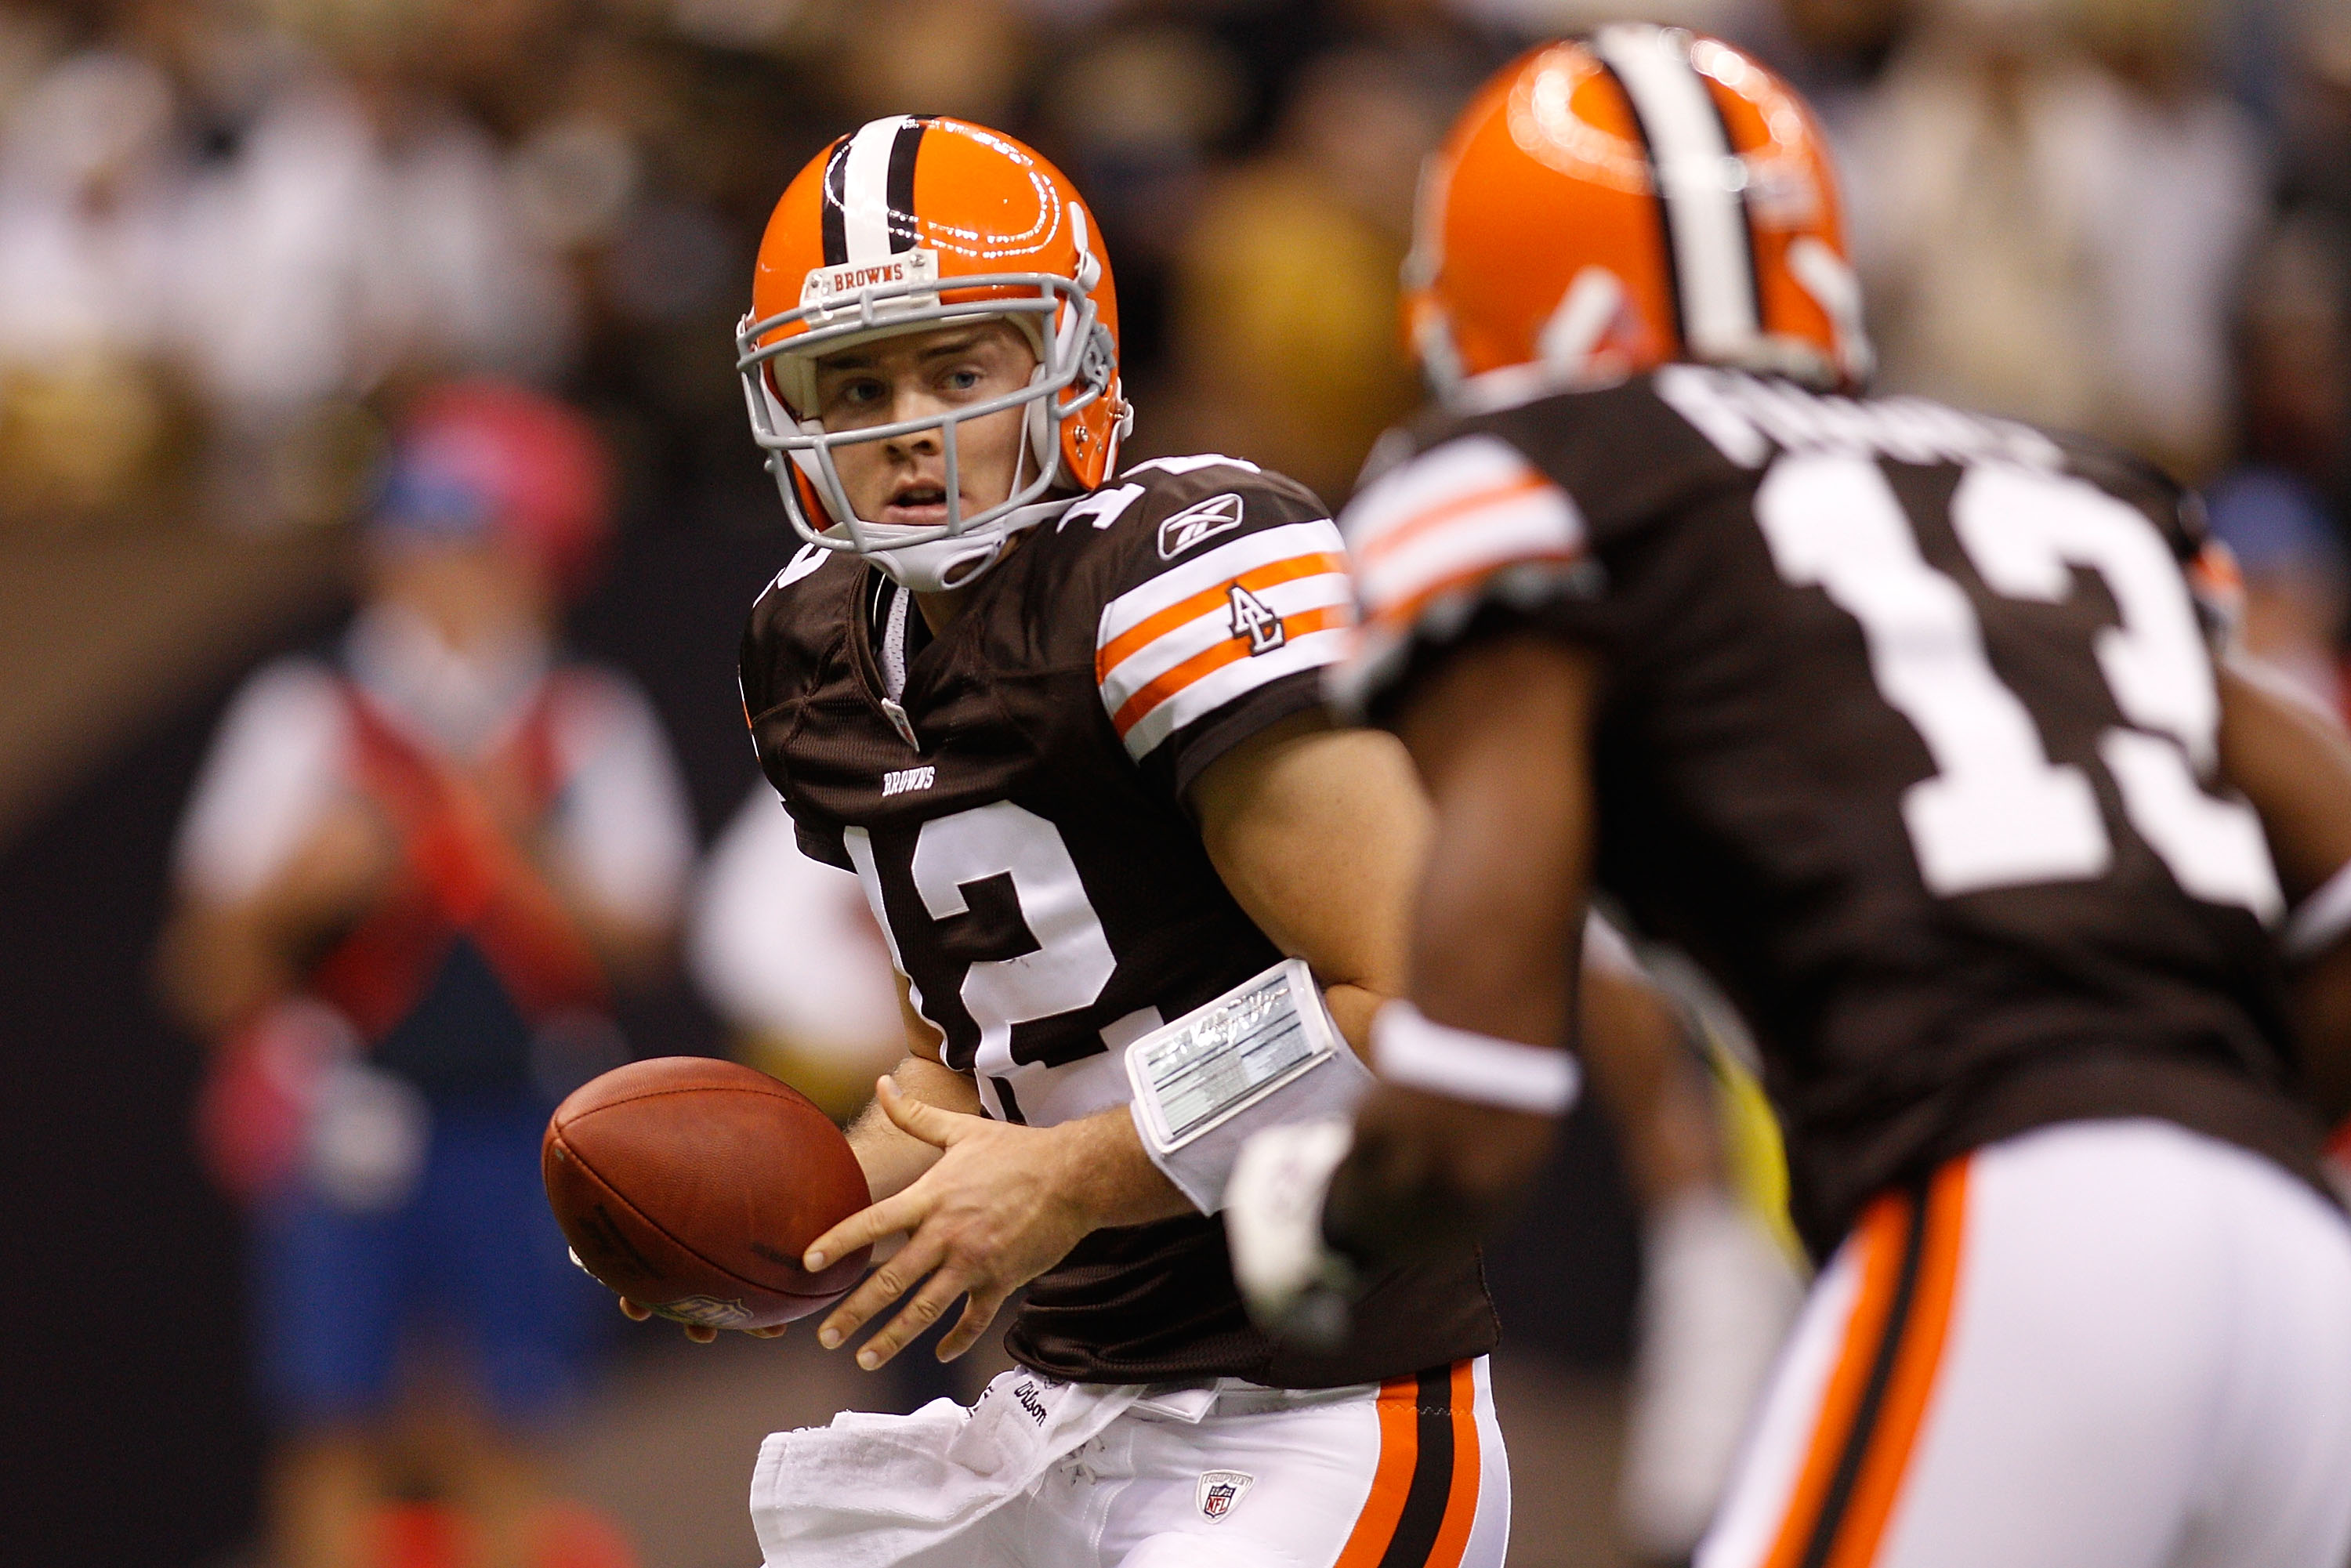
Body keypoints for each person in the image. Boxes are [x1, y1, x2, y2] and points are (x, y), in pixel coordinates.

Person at [1226, 26, 2351, 1568]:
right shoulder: (2057, 480)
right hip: (2299, 1262)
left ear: (1476, 298)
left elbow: (1479, 1089)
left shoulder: (1530, 478)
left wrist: (1333, 1214)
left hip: (2016, 1214)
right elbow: (2335, 853)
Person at [641, 114, 1522, 1568]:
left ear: (1069, 364)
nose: (905, 421)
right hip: (1064, 1412)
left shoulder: (1169, 572)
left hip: (1319, 1413)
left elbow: (1427, 991)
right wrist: (761, 1234)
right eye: (853, 380)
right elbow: (982, 1068)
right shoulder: (811, 649)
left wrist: (1078, 1176)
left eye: (959, 366)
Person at [163, 379, 694, 1568]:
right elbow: (203, 970)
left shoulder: (586, 719)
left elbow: (649, 940)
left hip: (528, 1119)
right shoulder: (304, 717)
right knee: (333, 1427)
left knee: (514, 1426)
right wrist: (301, 890)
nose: (442, 574)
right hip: (350, 1120)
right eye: (418, 540)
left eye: (471, 543)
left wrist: (520, 845)